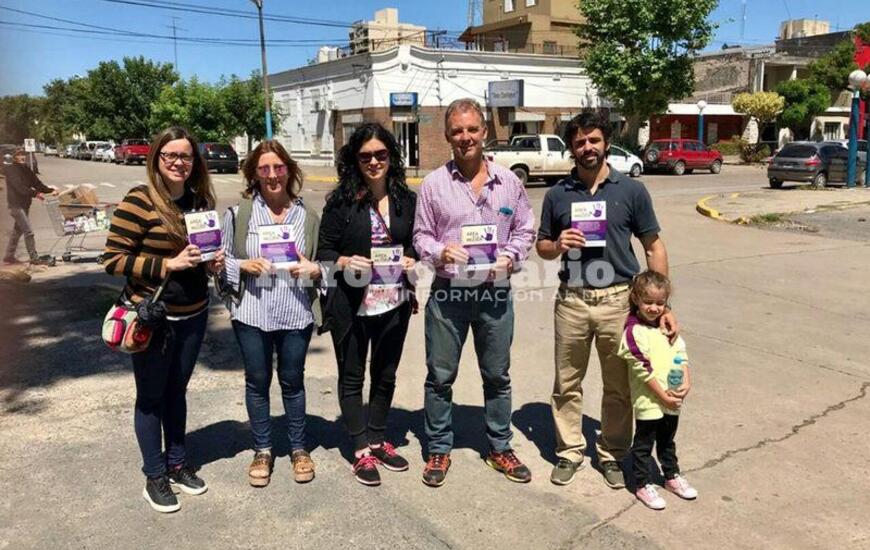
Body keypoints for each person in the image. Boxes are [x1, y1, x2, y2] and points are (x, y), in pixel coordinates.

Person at [536, 111, 678, 489]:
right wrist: (556, 244)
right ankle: (569, 451)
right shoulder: (557, 194)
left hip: (619, 300)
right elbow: (542, 247)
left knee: (618, 385)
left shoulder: (631, 191)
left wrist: (663, 307)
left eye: (594, 140)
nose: (587, 148)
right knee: (567, 382)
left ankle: (613, 453)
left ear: (607, 144)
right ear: (572, 147)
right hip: (573, 301)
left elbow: (653, 246)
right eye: (580, 142)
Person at [413, 98, 535, 487]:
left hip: (494, 292)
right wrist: (439, 251)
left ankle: (500, 446)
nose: (465, 137)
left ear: (484, 132)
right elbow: (420, 235)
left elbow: (525, 229)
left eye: (471, 129)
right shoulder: (433, 185)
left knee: (497, 375)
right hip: (449, 294)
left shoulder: (509, 182)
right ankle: (438, 448)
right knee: (440, 376)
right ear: (448, 136)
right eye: (457, 131)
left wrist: (511, 256)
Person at [104, 126, 224, 513]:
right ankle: (154, 474)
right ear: (156, 158)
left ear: (195, 161)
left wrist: (213, 263)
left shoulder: (198, 201)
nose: (178, 162)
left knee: (178, 392)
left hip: (194, 313)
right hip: (153, 316)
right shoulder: (140, 201)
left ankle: (176, 462)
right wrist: (166, 264)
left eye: (185, 156)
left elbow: (203, 255)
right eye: (170, 155)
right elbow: (112, 259)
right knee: (152, 397)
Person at [316, 123, 417, 486]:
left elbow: (414, 243)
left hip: (394, 303)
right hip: (352, 305)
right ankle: (359, 449)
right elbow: (323, 253)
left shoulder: (406, 199)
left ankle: (377, 438)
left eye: (380, 155)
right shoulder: (341, 202)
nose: (374, 162)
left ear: (391, 157)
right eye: (365, 156)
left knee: (386, 374)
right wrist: (344, 262)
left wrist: (410, 258)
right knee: (353, 376)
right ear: (354, 161)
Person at [221, 140, 322, 488]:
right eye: (264, 168)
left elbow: (322, 263)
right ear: (254, 174)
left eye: (278, 167)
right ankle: (262, 448)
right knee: (257, 380)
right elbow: (218, 265)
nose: (272, 175)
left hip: (295, 313)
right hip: (252, 313)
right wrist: (241, 264)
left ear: (289, 170)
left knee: (292, 382)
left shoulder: (306, 216)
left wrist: (314, 269)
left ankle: (298, 448)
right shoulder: (239, 214)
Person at [618, 270, 696, 510]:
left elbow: (680, 355)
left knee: (667, 441)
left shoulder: (667, 328)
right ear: (636, 299)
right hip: (649, 399)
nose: (654, 308)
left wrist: (686, 383)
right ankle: (642, 483)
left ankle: (671, 475)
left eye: (660, 303)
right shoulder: (633, 331)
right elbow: (642, 369)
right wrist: (662, 396)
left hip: (672, 397)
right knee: (643, 444)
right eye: (648, 302)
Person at [3, 148, 55, 265]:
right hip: (16, 205)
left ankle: (8, 256)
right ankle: (34, 257)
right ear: (14, 157)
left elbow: (36, 183)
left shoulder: (26, 169)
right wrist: (36, 194)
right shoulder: (11, 170)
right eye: (19, 155)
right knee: (29, 231)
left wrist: (50, 190)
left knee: (18, 231)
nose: (23, 157)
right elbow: (19, 188)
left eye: (24, 155)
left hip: (25, 205)